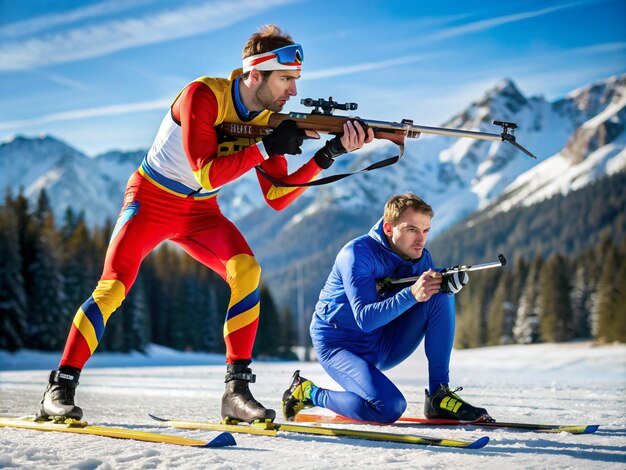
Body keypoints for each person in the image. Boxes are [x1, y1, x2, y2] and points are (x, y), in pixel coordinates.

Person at [36, 24, 373, 425]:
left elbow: (278, 196)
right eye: (286, 79)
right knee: (112, 288)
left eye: (296, 81)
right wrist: (267, 145)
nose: (293, 92)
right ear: (254, 74)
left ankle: (237, 392)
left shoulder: (271, 118)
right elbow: (206, 173)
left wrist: (330, 152)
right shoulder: (203, 95)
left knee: (246, 270)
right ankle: (60, 387)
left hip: (201, 213)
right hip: (151, 199)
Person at [282, 193, 491, 423]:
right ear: (389, 229)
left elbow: (424, 296)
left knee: (439, 294)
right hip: (338, 346)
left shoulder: (420, 257)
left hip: (381, 342)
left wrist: (445, 281)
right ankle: (308, 392)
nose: (421, 240)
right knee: (388, 407)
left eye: (426, 231)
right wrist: (412, 293)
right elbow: (365, 319)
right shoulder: (356, 254)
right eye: (412, 230)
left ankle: (438, 394)